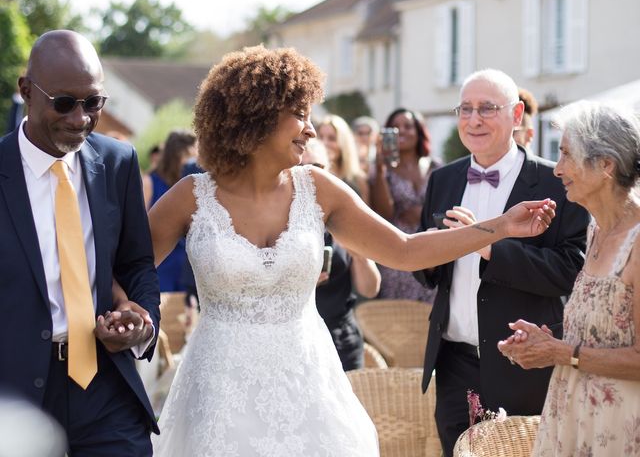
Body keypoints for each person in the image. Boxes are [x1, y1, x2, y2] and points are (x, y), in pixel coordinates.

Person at [145, 45, 555, 456]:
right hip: (219, 391)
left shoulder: (318, 189)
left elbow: (406, 249)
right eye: (300, 115)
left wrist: (498, 228)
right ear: (256, 116)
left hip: (306, 388)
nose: (310, 129)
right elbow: (129, 270)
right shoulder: (191, 197)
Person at [414, 69, 590, 457]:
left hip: (524, 365)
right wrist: (433, 248)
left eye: (487, 109)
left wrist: (487, 243)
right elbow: (424, 271)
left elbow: (571, 270)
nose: (474, 119)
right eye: (466, 109)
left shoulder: (555, 181)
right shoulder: (442, 179)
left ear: (516, 115)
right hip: (453, 363)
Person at [0, 30, 160, 454]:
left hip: (106, 383)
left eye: (93, 103)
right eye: (64, 103)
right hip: (14, 396)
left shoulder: (118, 162)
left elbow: (137, 263)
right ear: (26, 91)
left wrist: (140, 325)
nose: (80, 119)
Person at [498, 101, 640, 456]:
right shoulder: (595, 230)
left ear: (606, 164)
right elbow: (603, 335)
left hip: (620, 427)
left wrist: (561, 352)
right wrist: (544, 342)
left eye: (566, 156)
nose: (558, 169)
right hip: (574, 415)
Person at [302, 138, 381, 371]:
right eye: (301, 169)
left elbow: (370, 289)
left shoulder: (343, 217)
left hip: (341, 339)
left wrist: (359, 254)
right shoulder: (273, 220)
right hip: (297, 340)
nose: (310, 177)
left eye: (317, 168)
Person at [370, 107, 440, 303]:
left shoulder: (436, 167)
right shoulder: (382, 171)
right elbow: (384, 213)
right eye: (395, 127)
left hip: (430, 249)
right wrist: (380, 168)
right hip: (397, 250)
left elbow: (447, 205)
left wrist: (424, 214)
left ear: (419, 131)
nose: (402, 131)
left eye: (408, 126)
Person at [142, 129, 197, 292]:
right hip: (160, 261)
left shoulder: (192, 187)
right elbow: (138, 226)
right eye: (190, 156)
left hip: (184, 264)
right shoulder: (149, 182)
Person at [317, 113, 370, 204]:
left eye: (332, 138)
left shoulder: (358, 179)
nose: (324, 143)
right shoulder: (312, 175)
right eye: (320, 137)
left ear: (344, 143)